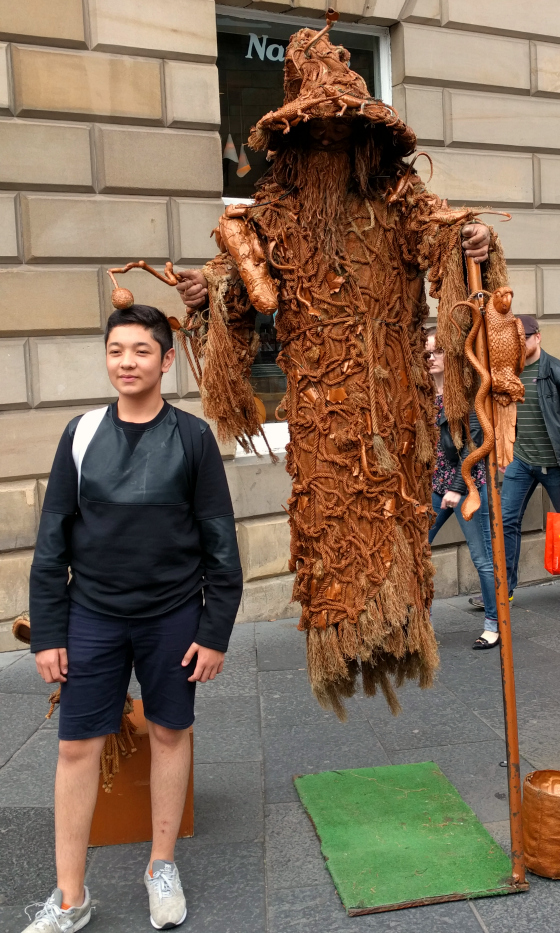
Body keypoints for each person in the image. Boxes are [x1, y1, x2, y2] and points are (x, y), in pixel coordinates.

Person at [169, 17, 500, 717]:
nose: (328, 143)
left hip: (395, 398)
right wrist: (211, 295)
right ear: (294, 142)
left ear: (365, 140)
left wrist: (471, 239)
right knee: (331, 529)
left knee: (394, 517)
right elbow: (237, 286)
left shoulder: (396, 200)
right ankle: (344, 641)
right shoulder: (275, 215)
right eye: (314, 133)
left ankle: (401, 631)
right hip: (321, 409)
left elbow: (444, 230)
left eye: (341, 132)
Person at [23, 305, 243, 932]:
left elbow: (220, 542)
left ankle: (161, 865)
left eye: (142, 350)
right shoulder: (82, 432)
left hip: (173, 615)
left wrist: (214, 630)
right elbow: (52, 540)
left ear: (167, 360)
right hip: (92, 614)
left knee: (171, 732)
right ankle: (70, 896)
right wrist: (49, 632)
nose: (127, 361)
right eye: (117, 349)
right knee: (75, 747)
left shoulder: (193, 437)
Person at [469, 313, 560, 608]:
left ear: (538, 337)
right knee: (505, 522)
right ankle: (504, 589)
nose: (520, 343)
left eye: (525, 338)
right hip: (520, 461)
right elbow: (505, 415)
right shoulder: (510, 373)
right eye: (515, 339)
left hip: (556, 465)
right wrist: (506, 452)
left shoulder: (559, 372)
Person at [426, 329, 499, 649]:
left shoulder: (465, 397)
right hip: (435, 485)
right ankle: (416, 621)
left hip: (468, 485)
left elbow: (475, 445)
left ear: (450, 356)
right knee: (416, 549)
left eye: (437, 352)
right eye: (426, 353)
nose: (431, 358)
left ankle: (494, 624)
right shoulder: (423, 396)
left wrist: (458, 486)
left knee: (482, 558)